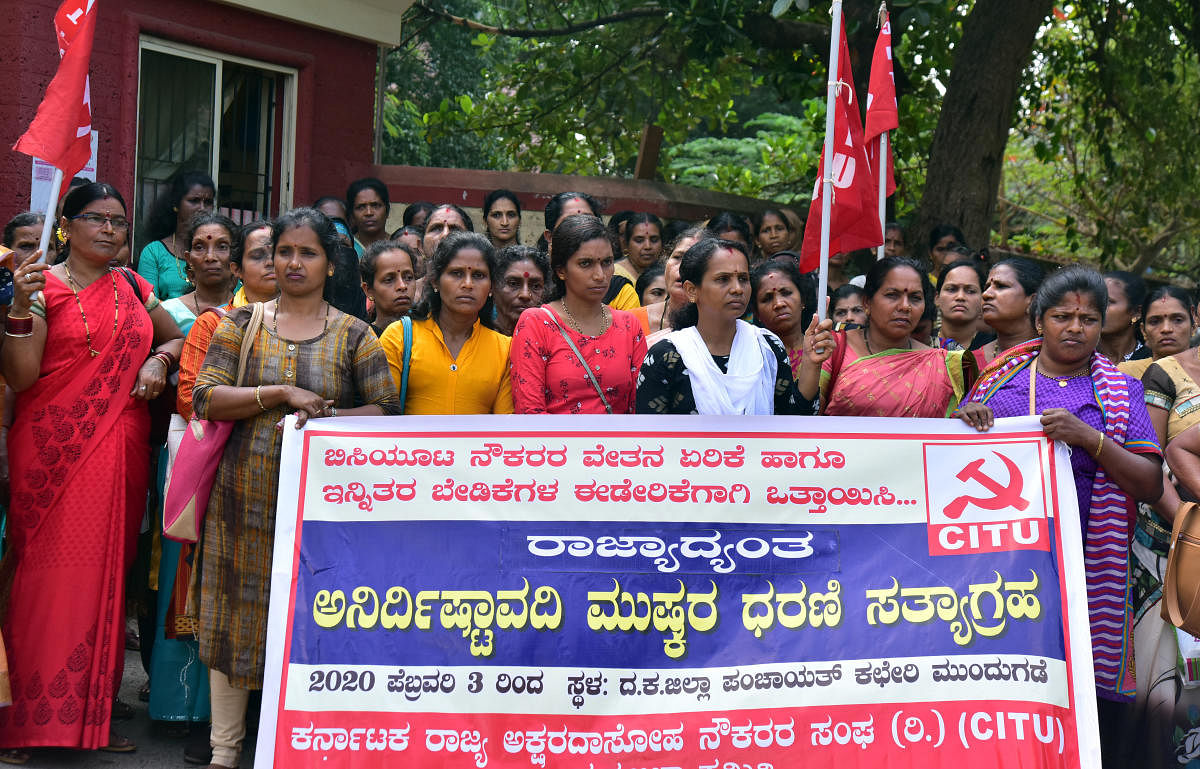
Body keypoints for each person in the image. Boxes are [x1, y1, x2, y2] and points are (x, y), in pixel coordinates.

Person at [191, 208, 400, 769]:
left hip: (321, 517)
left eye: (307, 253)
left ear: (330, 265)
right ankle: (224, 752)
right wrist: (280, 392)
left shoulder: (355, 335)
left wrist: (327, 415)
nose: (293, 262)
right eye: (283, 252)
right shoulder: (241, 323)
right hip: (241, 504)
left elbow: (385, 412)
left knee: (313, 622)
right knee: (232, 618)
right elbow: (205, 398)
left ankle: (298, 747)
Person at [0, 182, 184, 760]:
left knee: (107, 577)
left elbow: (177, 335)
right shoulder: (41, 286)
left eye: (119, 221)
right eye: (96, 219)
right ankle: (22, 725)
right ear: (67, 226)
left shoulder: (132, 286)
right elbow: (24, 377)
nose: (109, 229)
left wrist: (159, 359)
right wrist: (15, 307)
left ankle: (87, 721)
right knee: (42, 579)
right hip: (54, 450)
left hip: (119, 447)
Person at [955, 267, 1161, 765]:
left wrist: (1091, 439)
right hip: (1006, 571)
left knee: (1081, 693)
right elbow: (951, 459)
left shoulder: (1119, 390)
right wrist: (963, 420)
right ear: (1038, 319)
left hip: (1091, 570)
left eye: (1088, 318)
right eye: (1061, 316)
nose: (1075, 328)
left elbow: (1150, 482)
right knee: (1014, 686)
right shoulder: (1000, 381)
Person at [1120, 285, 1200, 765]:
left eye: (1175, 319)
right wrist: (1189, 526)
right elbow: (1151, 463)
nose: (1165, 329)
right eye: (1156, 320)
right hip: (1166, 538)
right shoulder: (1163, 374)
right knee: (1165, 667)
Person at [638, 239, 814, 416]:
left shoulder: (768, 347)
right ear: (692, 290)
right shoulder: (667, 355)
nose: (738, 289)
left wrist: (812, 364)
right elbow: (650, 436)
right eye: (723, 279)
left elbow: (791, 424)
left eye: (743, 279)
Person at [511, 214, 646, 414]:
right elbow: (530, 412)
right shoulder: (537, 323)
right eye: (586, 263)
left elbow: (640, 409)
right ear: (561, 270)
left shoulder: (628, 325)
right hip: (556, 444)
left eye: (607, 262)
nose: (600, 275)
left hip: (619, 444)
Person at [813, 257, 973, 418]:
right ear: (867, 303)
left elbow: (945, 428)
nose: (905, 306)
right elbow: (804, 416)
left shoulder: (942, 364)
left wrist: (965, 417)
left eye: (915, 298)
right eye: (892, 295)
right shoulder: (833, 346)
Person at [380, 232, 513, 415]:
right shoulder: (400, 337)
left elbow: (504, 427)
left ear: (491, 287)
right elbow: (382, 417)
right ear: (435, 281)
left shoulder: (505, 349)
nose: (467, 284)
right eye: (456, 273)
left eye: (478, 275)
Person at [541, 192, 640, 312]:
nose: (582, 227)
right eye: (570, 222)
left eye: (588, 219)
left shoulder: (619, 291)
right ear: (549, 236)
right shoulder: (533, 281)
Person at [138, 171, 216, 299]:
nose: (202, 208)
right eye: (194, 200)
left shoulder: (221, 253)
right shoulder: (154, 252)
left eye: (208, 202)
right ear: (175, 204)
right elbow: (148, 306)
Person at [160, 212, 238, 334]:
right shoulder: (168, 312)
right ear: (189, 259)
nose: (210, 257)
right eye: (199, 247)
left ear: (235, 257)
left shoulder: (247, 313)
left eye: (222, 246)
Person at [635, 226, 706, 344]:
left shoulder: (723, 328)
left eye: (695, 260)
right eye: (677, 257)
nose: (683, 267)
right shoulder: (631, 321)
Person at [750, 258, 817, 381]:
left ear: (803, 299)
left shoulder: (822, 347)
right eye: (767, 298)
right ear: (756, 312)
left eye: (786, 293)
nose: (779, 304)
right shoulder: (749, 357)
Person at [977, 256, 1043, 368]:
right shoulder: (971, 362)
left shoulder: (1054, 361)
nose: (986, 294)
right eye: (987, 287)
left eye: (1001, 286)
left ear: (1032, 301)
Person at [1122, 285, 1196, 380]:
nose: (1166, 329)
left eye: (1178, 320)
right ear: (1143, 330)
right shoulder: (1127, 374)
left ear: (1193, 327)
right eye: (1155, 322)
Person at [934, 259, 995, 351]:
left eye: (970, 291)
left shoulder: (994, 348)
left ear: (983, 299)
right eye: (951, 289)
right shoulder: (921, 341)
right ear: (937, 298)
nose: (960, 297)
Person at [360, 241, 417, 336]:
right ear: (368, 290)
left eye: (408, 278)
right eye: (389, 280)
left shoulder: (430, 333)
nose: (402, 286)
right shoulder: (362, 342)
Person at [492, 245, 549, 337]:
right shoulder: (473, 338)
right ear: (492, 287)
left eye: (536, 286)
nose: (525, 295)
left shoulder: (553, 342)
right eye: (513, 284)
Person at [1099, 270, 1149, 364]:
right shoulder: (1078, 354)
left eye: (1109, 302)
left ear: (1137, 312)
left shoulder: (1150, 363)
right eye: (1095, 300)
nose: (1097, 307)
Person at [613, 212, 663, 284]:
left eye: (654, 240)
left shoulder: (666, 272)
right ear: (626, 244)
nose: (647, 246)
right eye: (639, 240)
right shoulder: (614, 274)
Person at [345, 177, 390, 251]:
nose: (369, 213)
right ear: (352, 215)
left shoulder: (399, 245)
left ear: (387, 210)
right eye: (361, 207)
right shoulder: (347, 247)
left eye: (375, 206)